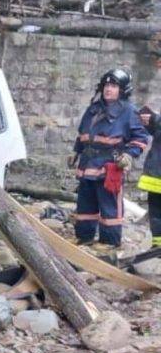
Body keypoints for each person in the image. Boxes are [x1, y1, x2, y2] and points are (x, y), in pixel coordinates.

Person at [70, 68, 149, 254]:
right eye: (106, 85)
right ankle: (84, 236)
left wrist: (129, 155)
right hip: (87, 165)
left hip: (109, 167)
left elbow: (141, 138)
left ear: (122, 90)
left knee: (109, 206)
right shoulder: (93, 109)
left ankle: (110, 242)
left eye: (113, 85)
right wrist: (75, 152)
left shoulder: (129, 111)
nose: (108, 89)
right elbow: (83, 134)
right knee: (85, 204)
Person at [138, 105, 161, 249]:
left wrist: (156, 119)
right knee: (156, 213)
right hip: (156, 177)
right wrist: (149, 123)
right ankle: (157, 246)